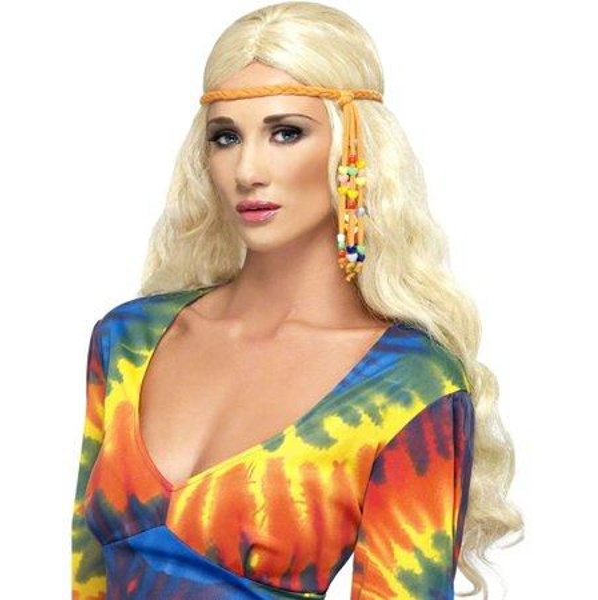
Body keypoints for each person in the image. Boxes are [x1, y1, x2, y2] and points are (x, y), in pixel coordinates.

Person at [71, 2, 524, 598]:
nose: (247, 170)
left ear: (354, 149)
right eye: (226, 137)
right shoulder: (128, 339)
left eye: (286, 133)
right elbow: (86, 575)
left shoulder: (407, 384)